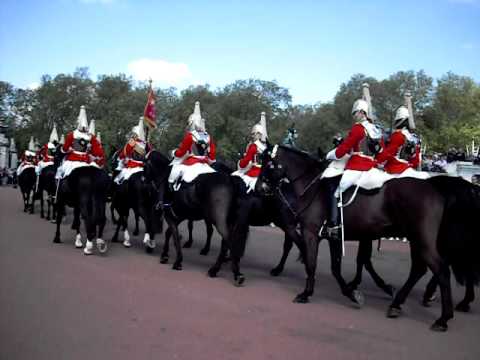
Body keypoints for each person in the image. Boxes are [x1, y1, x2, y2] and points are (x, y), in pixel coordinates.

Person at [324, 98, 384, 237]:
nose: (354, 116)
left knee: (336, 191)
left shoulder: (358, 128)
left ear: (362, 113)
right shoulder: (376, 130)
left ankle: (334, 225)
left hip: (357, 166)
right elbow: (380, 151)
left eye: (355, 113)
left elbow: (343, 150)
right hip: (372, 165)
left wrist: (329, 155)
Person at [168, 101, 216, 191]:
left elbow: (181, 152)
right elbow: (212, 155)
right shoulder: (208, 136)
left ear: (191, 123)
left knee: (175, 168)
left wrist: (174, 153)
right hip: (205, 163)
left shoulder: (190, 136)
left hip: (192, 162)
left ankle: (171, 190)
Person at [375, 105, 427, 179]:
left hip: (394, 171)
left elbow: (387, 155)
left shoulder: (398, 135)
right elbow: (416, 161)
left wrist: (380, 150)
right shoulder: (415, 138)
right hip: (409, 170)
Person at [55, 105, 105, 181]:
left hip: (72, 160)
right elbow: (98, 152)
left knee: (61, 172)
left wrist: (68, 150)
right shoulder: (91, 137)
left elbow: (64, 149)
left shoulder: (72, 134)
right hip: (85, 162)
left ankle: (58, 188)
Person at [232, 112, 268, 193]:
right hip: (266, 175)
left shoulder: (253, 146)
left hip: (254, 174)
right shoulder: (269, 147)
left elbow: (245, 162)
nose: (252, 136)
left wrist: (240, 163)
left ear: (259, 134)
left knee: (234, 177)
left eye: (253, 134)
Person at [114, 117, 152, 184]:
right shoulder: (146, 144)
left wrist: (121, 158)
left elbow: (124, 154)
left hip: (133, 166)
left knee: (118, 180)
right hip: (144, 167)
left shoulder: (132, 143)